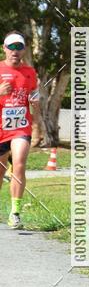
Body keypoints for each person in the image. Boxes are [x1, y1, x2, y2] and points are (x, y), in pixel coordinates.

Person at [0, 32, 40, 229]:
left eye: (19, 47)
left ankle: (15, 212)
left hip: (20, 127)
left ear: (24, 49)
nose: (15, 51)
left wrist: (35, 104)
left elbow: (34, 100)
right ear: (4, 48)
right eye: (11, 47)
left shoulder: (30, 72)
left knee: (19, 165)